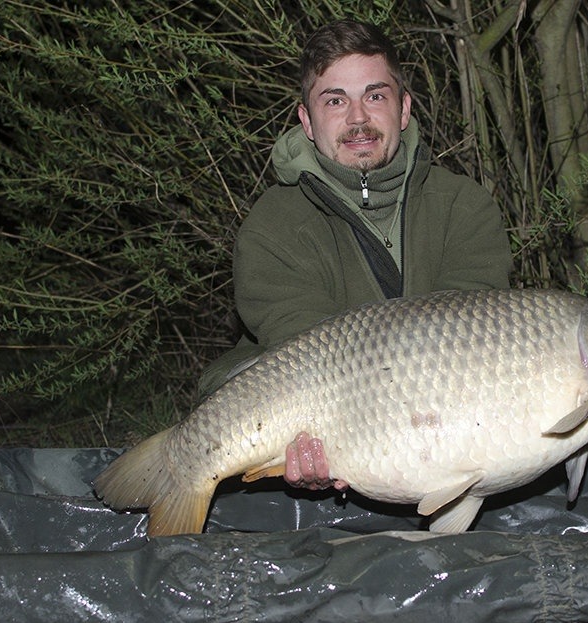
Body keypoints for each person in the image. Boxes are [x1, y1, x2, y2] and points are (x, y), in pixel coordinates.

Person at [198, 19, 513, 490]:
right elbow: (308, 361)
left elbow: (468, 356)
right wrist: (342, 444)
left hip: (449, 430)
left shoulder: (465, 206)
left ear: (403, 109)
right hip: (330, 412)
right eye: (334, 100)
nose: (358, 119)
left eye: (375, 95)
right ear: (306, 120)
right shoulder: (274, 225)